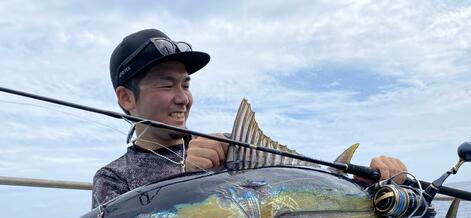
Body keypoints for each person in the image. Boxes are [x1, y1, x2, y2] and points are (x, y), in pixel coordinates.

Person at [92, 28, 406, 208]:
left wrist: (366, 187)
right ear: (126, 97)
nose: (182, 98)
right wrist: (184, 181)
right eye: (166, 84)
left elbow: (298, 207)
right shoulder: (114, 179)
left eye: (186, 84)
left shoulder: (228, 151)